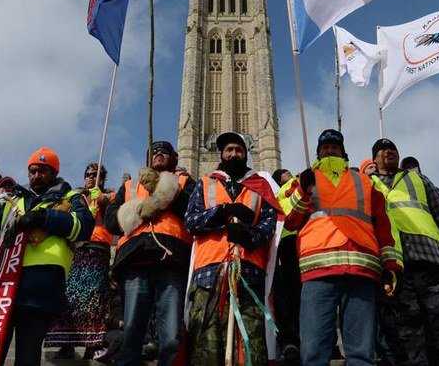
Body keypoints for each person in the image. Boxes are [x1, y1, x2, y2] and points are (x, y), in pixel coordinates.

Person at [284, 129, 401, 366]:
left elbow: (382, 225)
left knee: (361, 353)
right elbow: (289, 220)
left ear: (343, 152)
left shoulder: (365, 181)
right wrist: (302, 191)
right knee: (314, 351)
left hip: (361, 270)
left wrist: (390, 264)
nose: (330, 151)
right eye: (325, 148)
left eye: (334, 147)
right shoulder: (304, 179)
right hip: (318, 271)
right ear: (318, 153)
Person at [364, 139, 439, 366]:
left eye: (392, 148)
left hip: (431, 263)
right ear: (374, 159)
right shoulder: (365, 185)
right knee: (408, 343)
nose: (388, 152)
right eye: (382, 150)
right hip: (393, 270)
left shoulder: (418, 179)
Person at [185, 131, 278, 365]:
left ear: (246, 154)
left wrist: (249, 235)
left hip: (248, 274)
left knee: (251, 347)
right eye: (229, 150)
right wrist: (222, 212)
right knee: (206, 346)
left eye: (238, 150)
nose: (233, 154)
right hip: (209, 274)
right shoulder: (206, 182)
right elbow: (191, 221)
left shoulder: (260, 186)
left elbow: (270, 225)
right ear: (221, 154)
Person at [0, 147, 93, 366]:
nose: (36, 176)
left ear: (54, 173)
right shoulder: (14, 198)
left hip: (42, 280)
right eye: (32, 171)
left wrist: (45, 217)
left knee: (28, 353)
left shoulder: (70, 196)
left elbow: (83, 227)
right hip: (4, 279)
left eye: (42, 171)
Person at [105, 140, 195, 366]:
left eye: (165, 152)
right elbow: (111, 222)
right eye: (154, 152)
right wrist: (139, 210)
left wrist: (164, 190)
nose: (159, 154)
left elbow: (193, 213)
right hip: (135, 261)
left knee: (171, 337)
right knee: (132, 333)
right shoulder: (131, 185)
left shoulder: (184, 181)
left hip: (172, 261)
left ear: (174, 158)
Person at [47, 162, 115, 359]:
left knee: (94, 298)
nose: (91, 177)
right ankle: (66, 344)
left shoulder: (109, 195)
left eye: (95, 174)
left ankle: (92, 345)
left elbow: (115, 215)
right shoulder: (77, 196)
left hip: (98, 248)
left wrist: (102, 200)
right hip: (78, 248)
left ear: (102, 178)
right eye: (88, 174)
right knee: (71, 297)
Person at [271, 167, 300, 364]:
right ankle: (289, 341)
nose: (289, 174)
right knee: (285, 296)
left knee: (296, 295)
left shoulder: (297, 185)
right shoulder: (279, 192)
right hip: (284, 246)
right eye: (284, 173)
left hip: (298, 244)